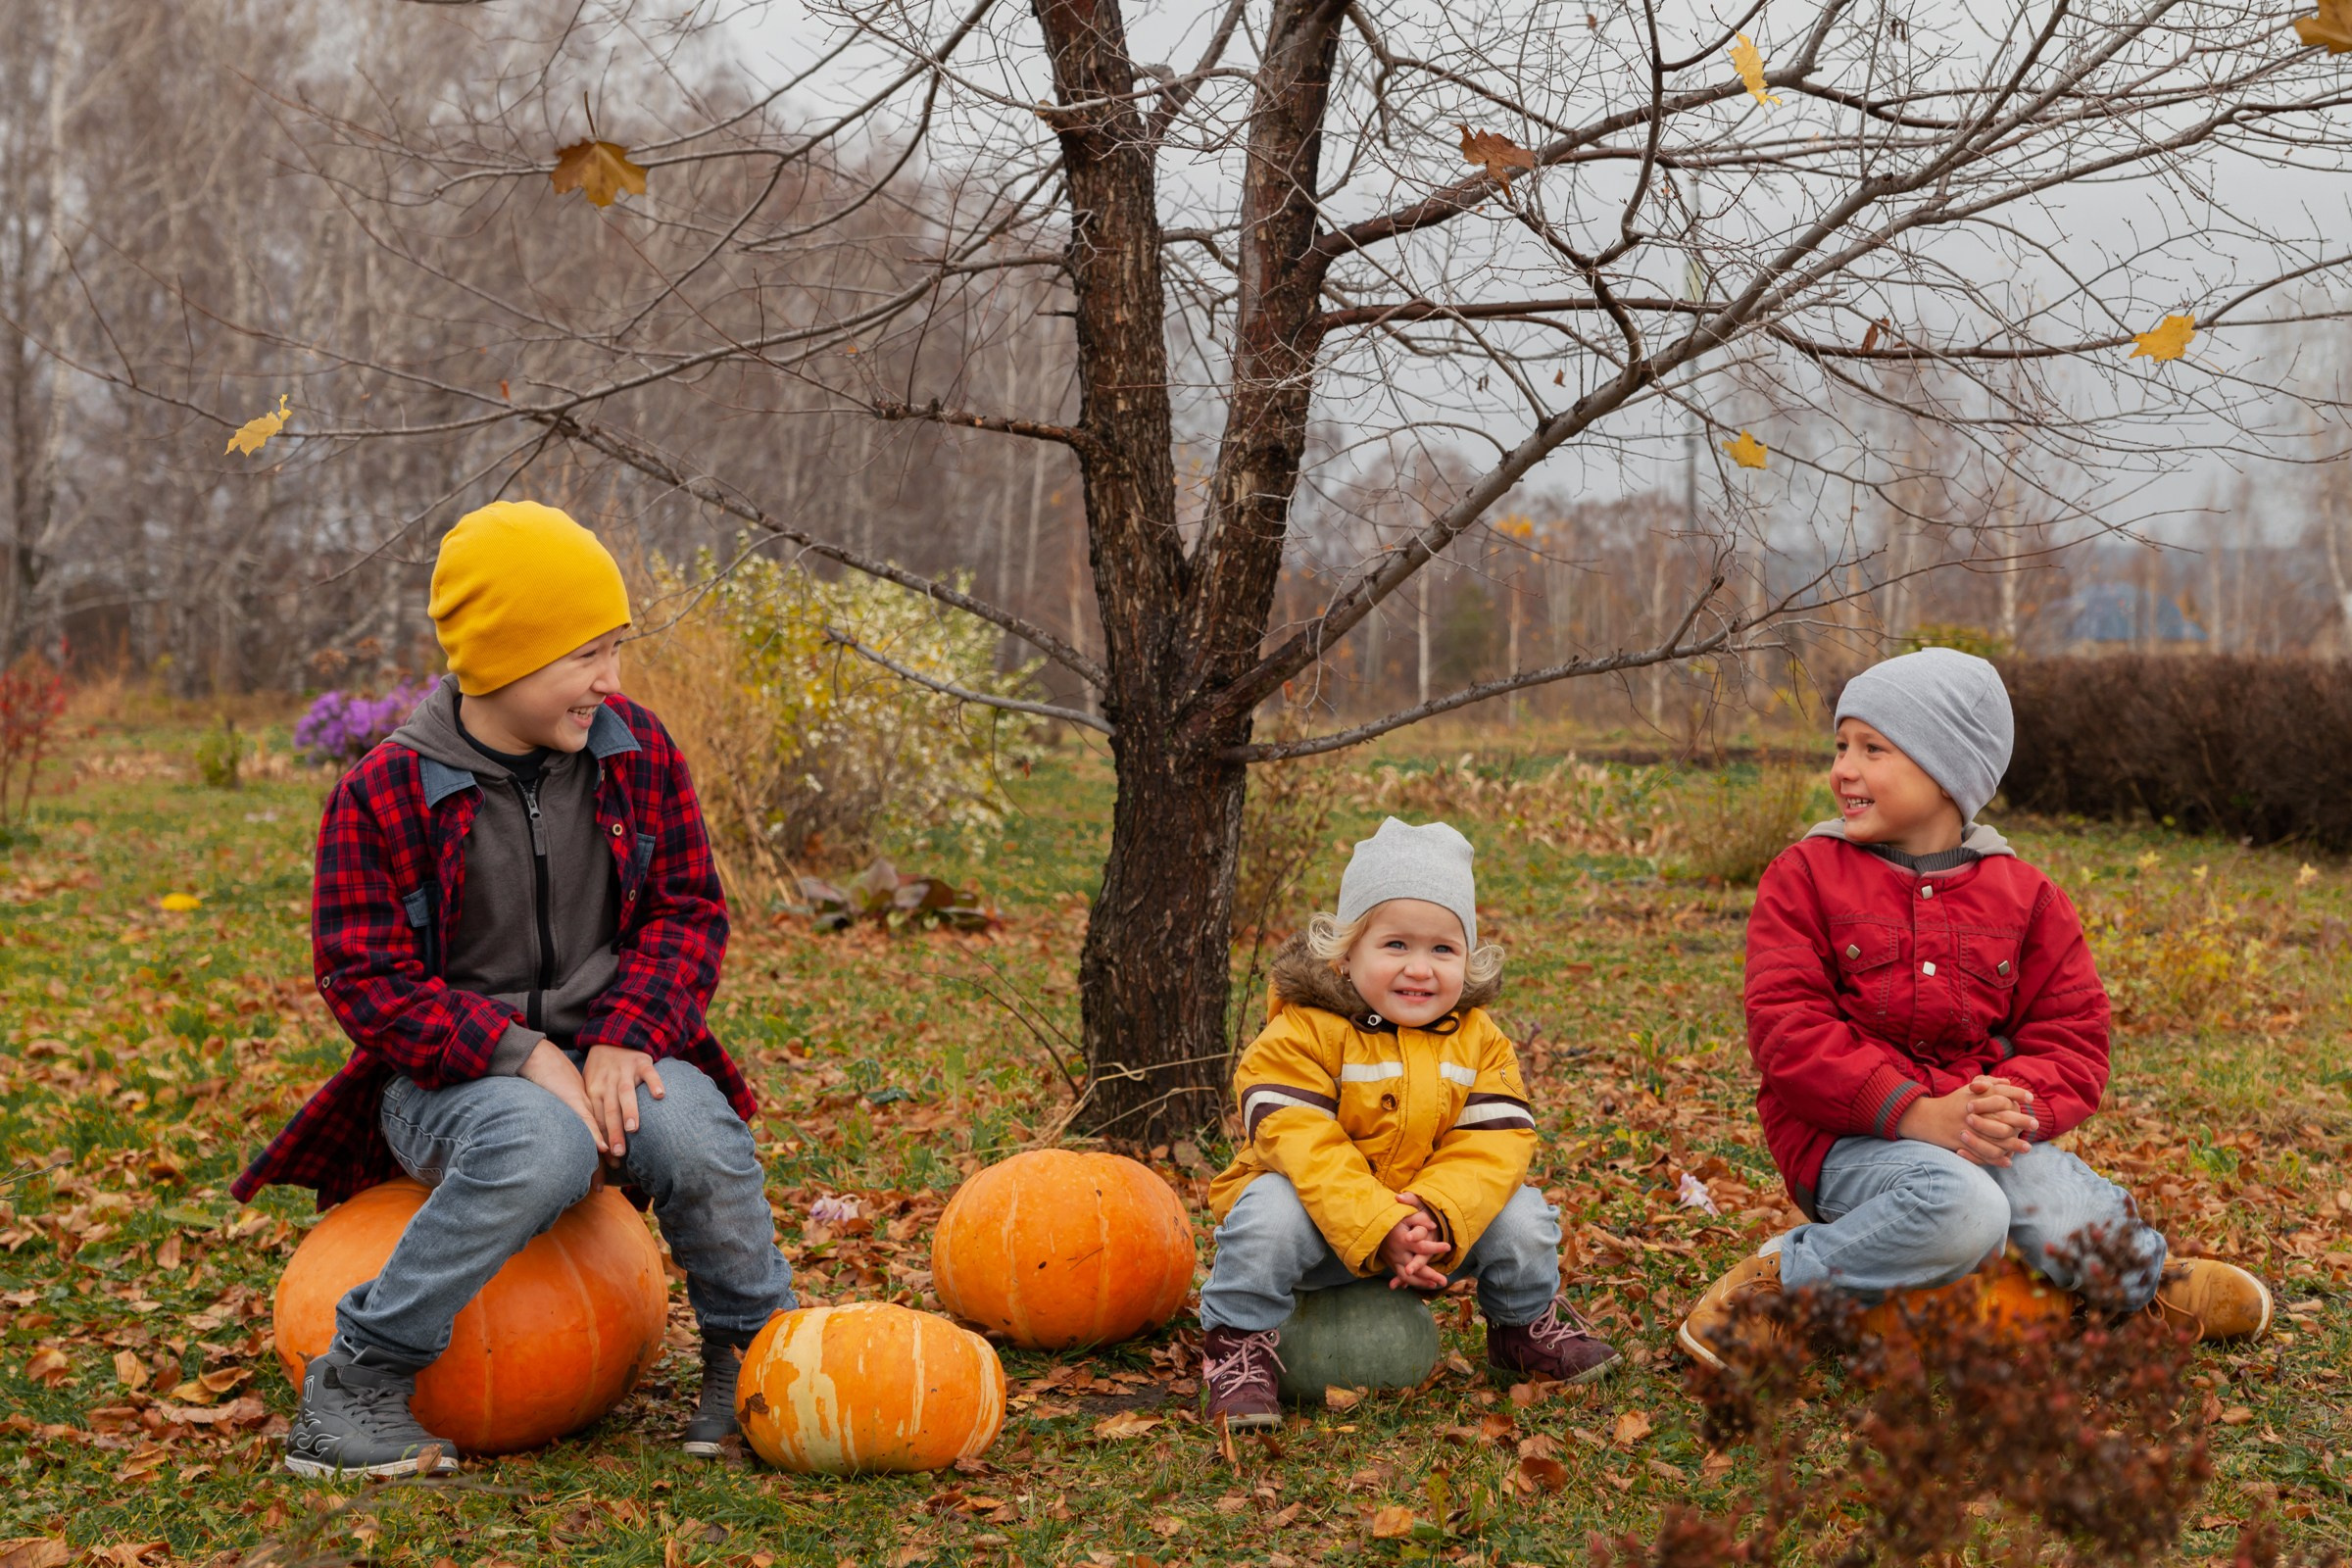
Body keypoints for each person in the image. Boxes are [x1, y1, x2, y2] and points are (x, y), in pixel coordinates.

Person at [232, 501, 795, 1476]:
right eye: (587, 655)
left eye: (615, 650)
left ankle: (753, 1356)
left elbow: (686, 912)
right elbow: (362, 977)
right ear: (501, 659)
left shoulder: (639, 753)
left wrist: (625, 1033)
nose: (611, 680)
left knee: (699, 1134)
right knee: (541, 1139)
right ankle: (356, 1379)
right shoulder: (384, 792)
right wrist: (523, 1054)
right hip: (453, 1080)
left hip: (620, 1048)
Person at [1677, 648, 2270, 1366]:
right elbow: (1789, 1032)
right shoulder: (1804, 877)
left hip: (1986, 1135)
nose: (1844, 769)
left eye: (1873, 749)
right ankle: (1779, 1286)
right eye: (1841, 747)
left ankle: (2141, 1287)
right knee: (1966, 1211)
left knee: (2068, 1211)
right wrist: (1919, 1113)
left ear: (1946, 769)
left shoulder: (2026, 896)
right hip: (1844, 1142)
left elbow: (2074, 1041)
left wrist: (2005, 1109)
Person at [1199, 817, 1619, 1428]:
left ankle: (1523, 1326)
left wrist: (1431, 1212)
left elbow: (1495, 1142)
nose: (1420, 969)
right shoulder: (1304, 1030)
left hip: (1430, 1230)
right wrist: (1381, 1223)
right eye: (1396, 945)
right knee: (1265, 1214)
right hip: (1317, 1227)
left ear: (1468, 959)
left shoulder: (1481, 1042)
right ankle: (1237, 1347)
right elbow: (1300, 1140)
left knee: (1525, 1215)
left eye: (1442, 949)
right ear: (1346, 955)